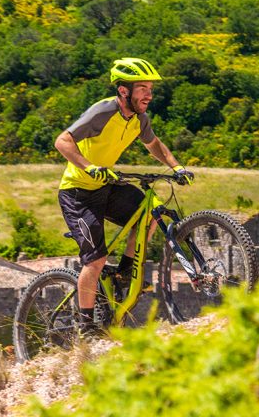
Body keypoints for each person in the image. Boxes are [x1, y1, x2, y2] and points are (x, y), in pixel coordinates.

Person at [54, 57, 194, 334]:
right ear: (123, 91)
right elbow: (62, 141)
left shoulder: (139, 119)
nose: (149, 95)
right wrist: (89, 167)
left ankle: (125, 272)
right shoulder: (102, 113)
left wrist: (176, 167)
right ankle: (86, 326)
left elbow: (154, 145)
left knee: (152, 210)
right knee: (95, 260)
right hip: (77, 193)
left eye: (150, 89)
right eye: (142, 88)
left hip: (105, 186)